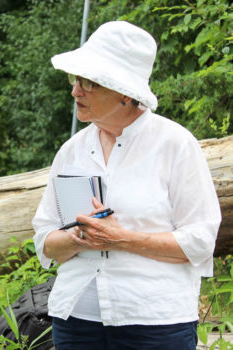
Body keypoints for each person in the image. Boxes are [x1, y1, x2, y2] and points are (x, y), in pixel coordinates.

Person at [32, 21, 221, 350]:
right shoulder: (72, 151)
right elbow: (44, 241)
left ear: (123, 92)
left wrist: (123, 239)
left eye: (88, 83)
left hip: (155, 324)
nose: (76, 90)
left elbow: (201, 241)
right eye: (75, 80)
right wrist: (77, 237)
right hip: (76, 322)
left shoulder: (175, 145)